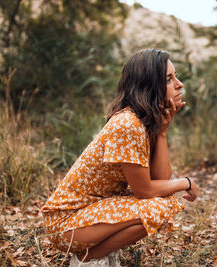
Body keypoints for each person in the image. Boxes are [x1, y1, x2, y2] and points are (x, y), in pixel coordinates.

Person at [41, 48, 199, 266]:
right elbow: (145, 191)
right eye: (168, 79)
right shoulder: (128, 124)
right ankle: (87, 258)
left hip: (86, 218)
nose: (179, 84)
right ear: (148, 85)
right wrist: (186, 183)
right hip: (65, 224)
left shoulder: (139, 123)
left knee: (162, 202)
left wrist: (161, 132)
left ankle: (97, 253)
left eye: (175, 77)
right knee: (158, 207)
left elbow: (160, 178)